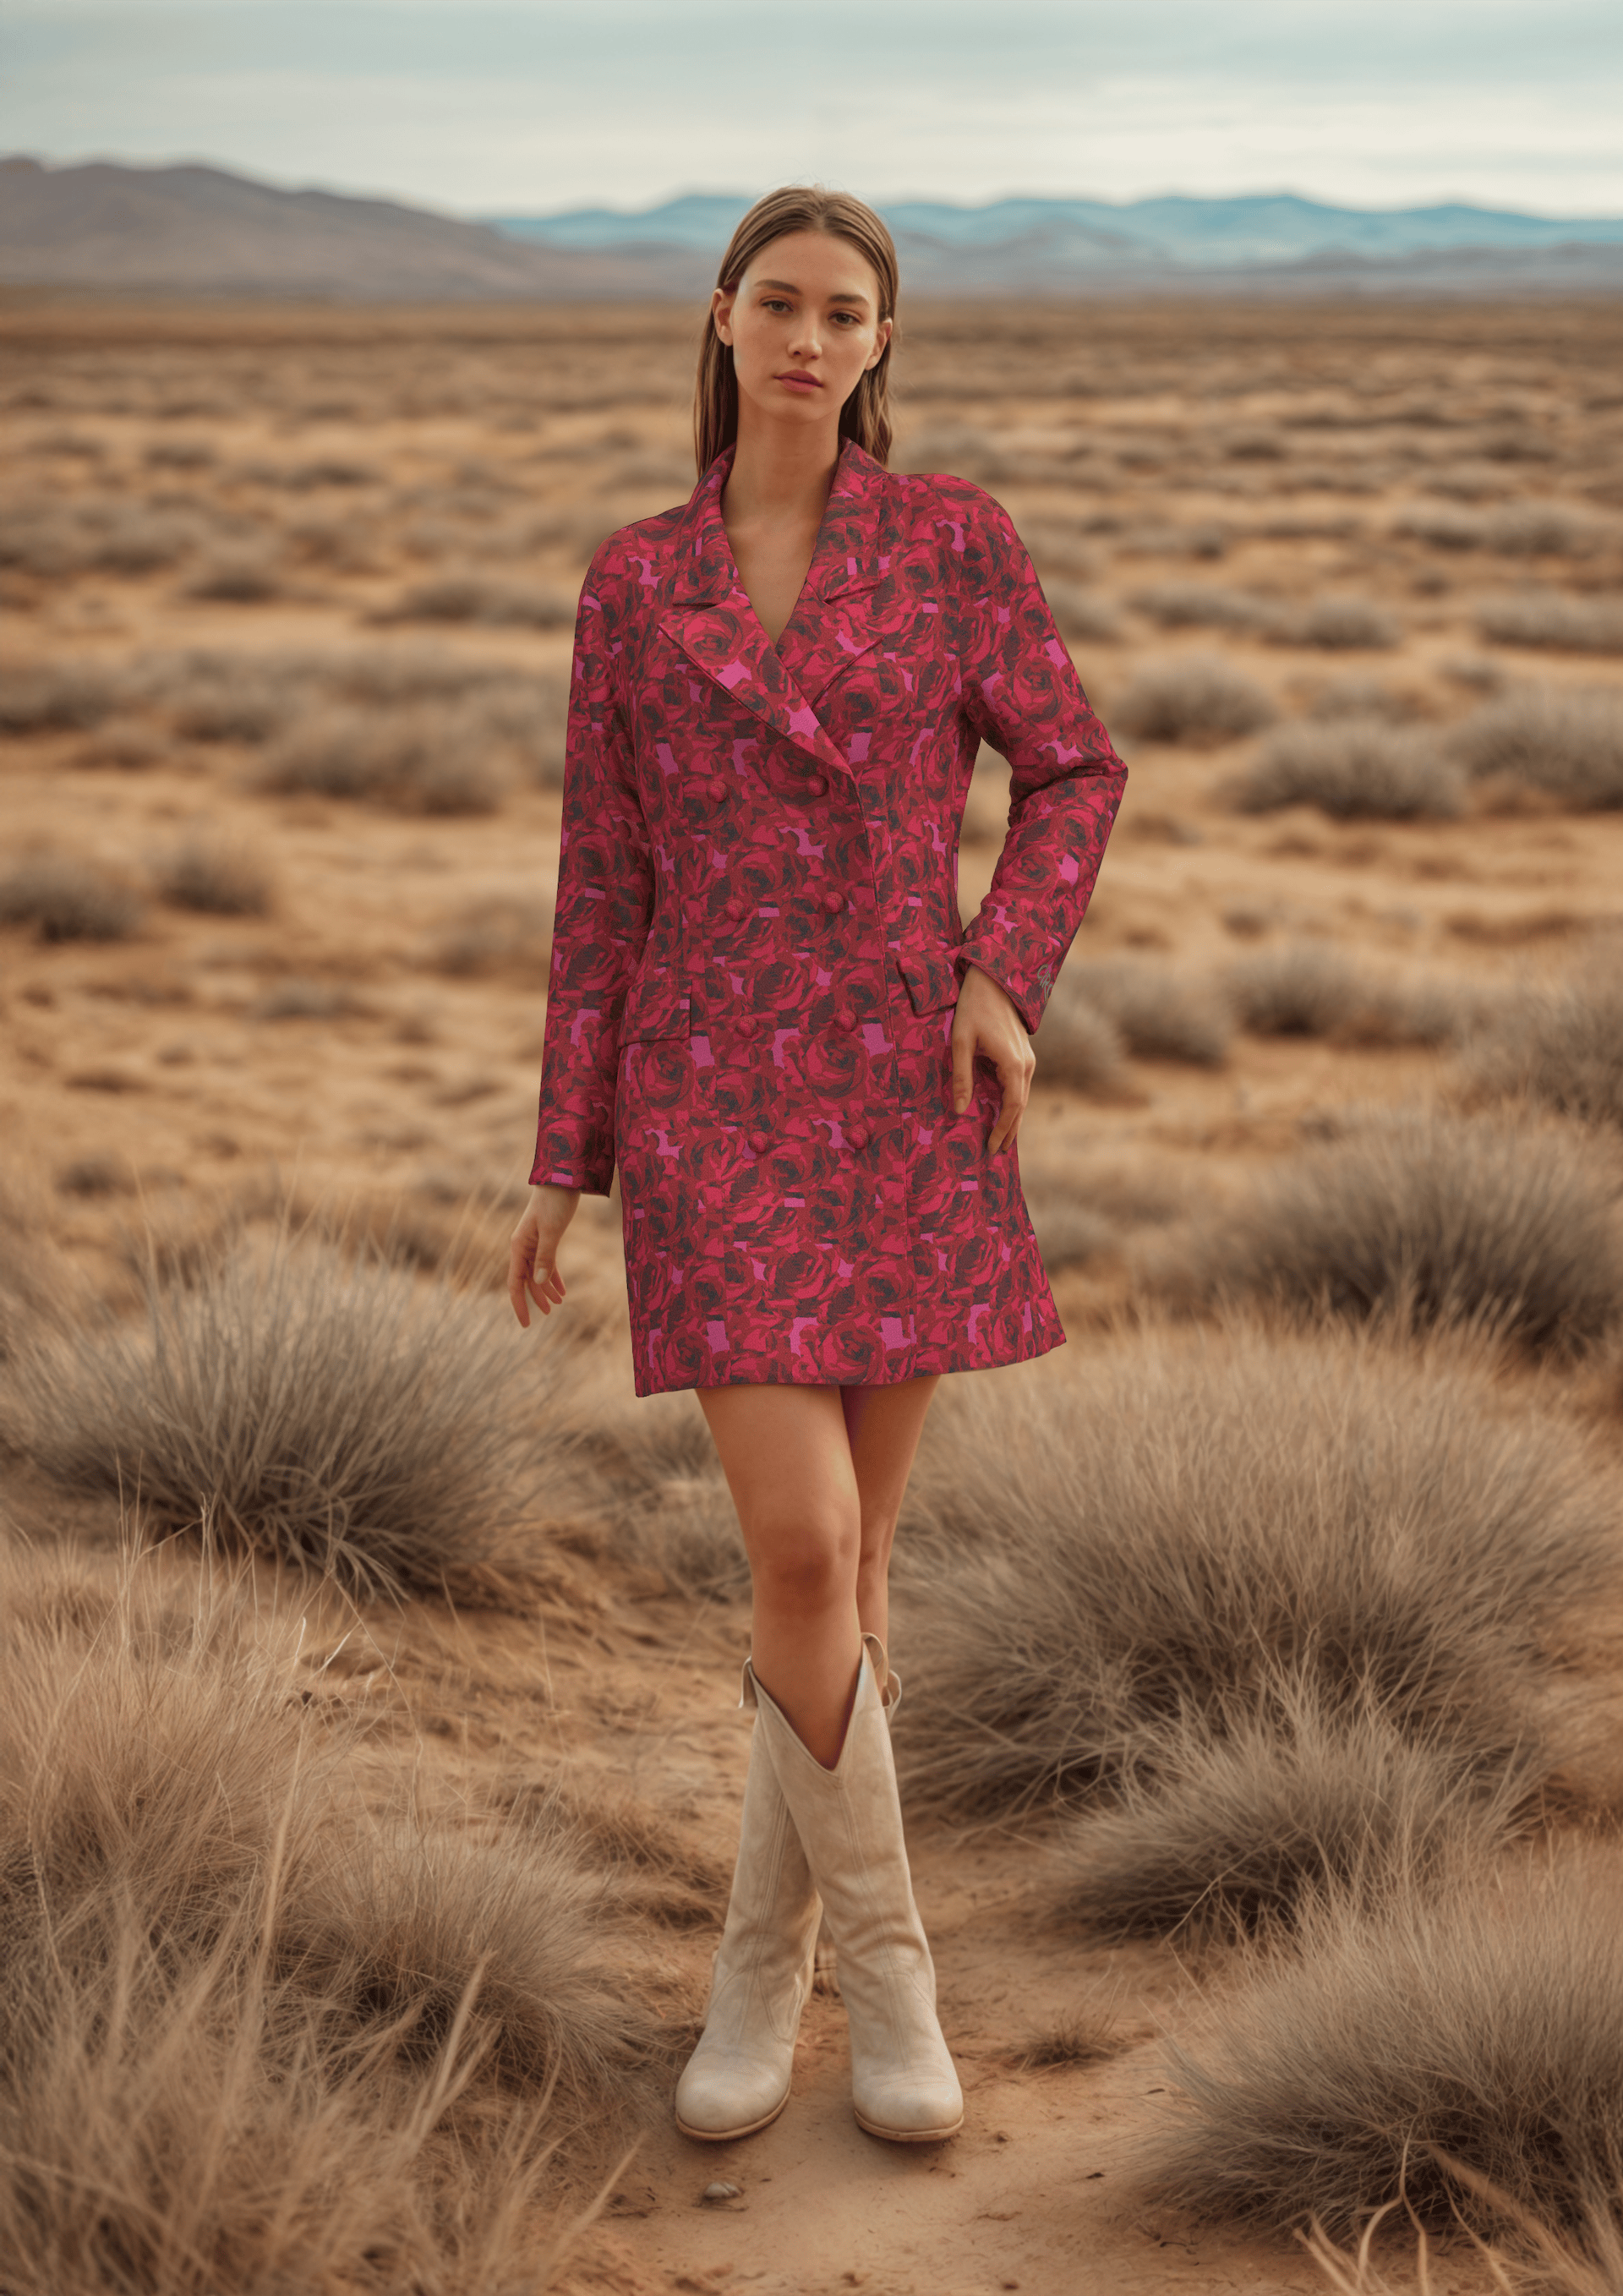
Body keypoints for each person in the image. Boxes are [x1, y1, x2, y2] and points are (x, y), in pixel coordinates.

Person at [508, 185, 1126, 2146]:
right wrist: (563, 1148)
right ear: (719, 317)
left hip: (902, 1092)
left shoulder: (952, 543)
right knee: (795, 1547)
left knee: (857, 1566)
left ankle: (758, 1981)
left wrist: (1002, 976)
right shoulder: (633, 579)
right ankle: (897, 1984)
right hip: (707, 1098)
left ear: (880, 345)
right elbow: (603, 871)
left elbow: (1076, 768)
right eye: (775, 299)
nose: (806, 331)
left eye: (843, 309)